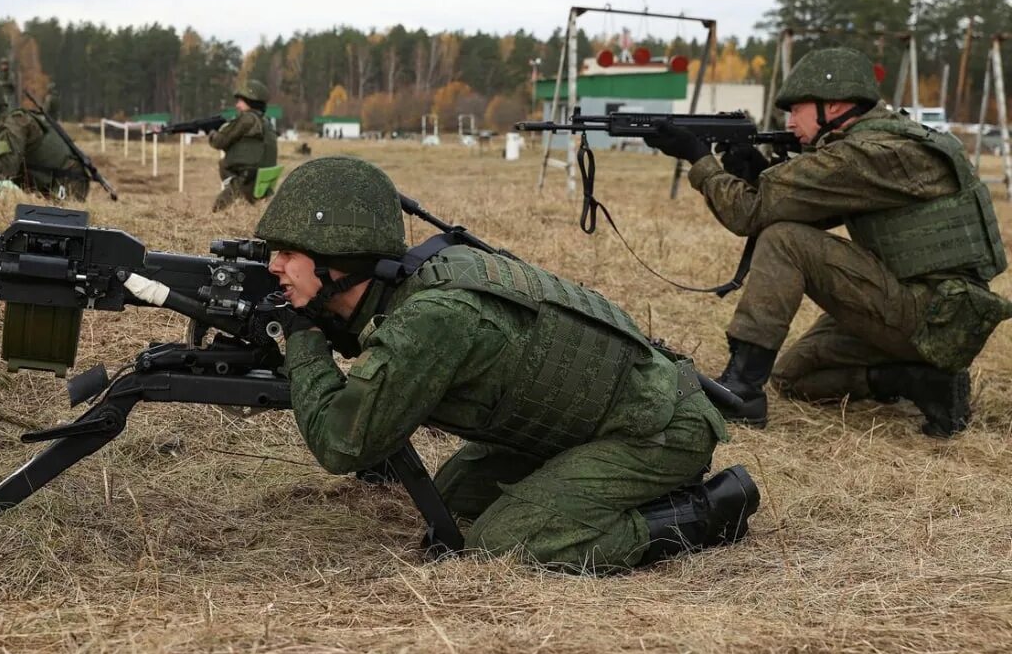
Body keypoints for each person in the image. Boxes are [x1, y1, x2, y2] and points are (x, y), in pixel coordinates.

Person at [252, 156, 759, 573]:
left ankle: (703, 510)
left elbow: (344, 444)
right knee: (450, 502)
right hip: (593, 423)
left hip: (658, 429)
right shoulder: (415, 287)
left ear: (337, 258)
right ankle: (595, 489)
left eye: (289, 253)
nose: (274, 266)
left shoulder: (433, 317)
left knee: (504, 543)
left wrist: (302, 340)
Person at [645, 47, 1012, 437]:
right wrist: (760, 173)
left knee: (784, 240)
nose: (790, 122)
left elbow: (748, 215)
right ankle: (917, 381)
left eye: (796, 110)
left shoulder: (864, 155)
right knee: (793, 377)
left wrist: (698, 159)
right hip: (938, 312)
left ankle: (742, 389)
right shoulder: (891, 143)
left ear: (834, 106)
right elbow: (807, 207)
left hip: (930, 316)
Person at [0, 73, 90, 201]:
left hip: (67, 181)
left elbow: (7, 167)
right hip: (49, 184)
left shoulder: (14, 124)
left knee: (57, 222)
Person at [209, 80, 278, 212]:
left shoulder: (248, 119)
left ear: (251, 101)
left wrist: (212, 133)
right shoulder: (266, 122)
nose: (237, 105)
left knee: (217, 211)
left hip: (247, 179)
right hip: (261, 177)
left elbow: (220, 142)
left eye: (241, 101)